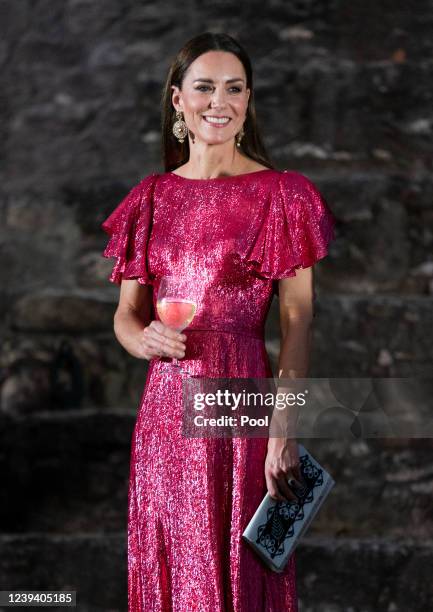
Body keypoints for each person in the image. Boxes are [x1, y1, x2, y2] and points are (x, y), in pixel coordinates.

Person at [101, 32, 336, 612]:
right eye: (204, 87)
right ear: (177, 99)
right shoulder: (150, 199)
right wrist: (142, 338)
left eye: (234, 89)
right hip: (165, 412)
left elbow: (298, 321)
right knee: (173, 566)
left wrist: (284, 428)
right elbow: (126, 318)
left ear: (248, 100)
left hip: (243, 399)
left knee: (239, 567)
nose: (219, 101)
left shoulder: (282, 195)